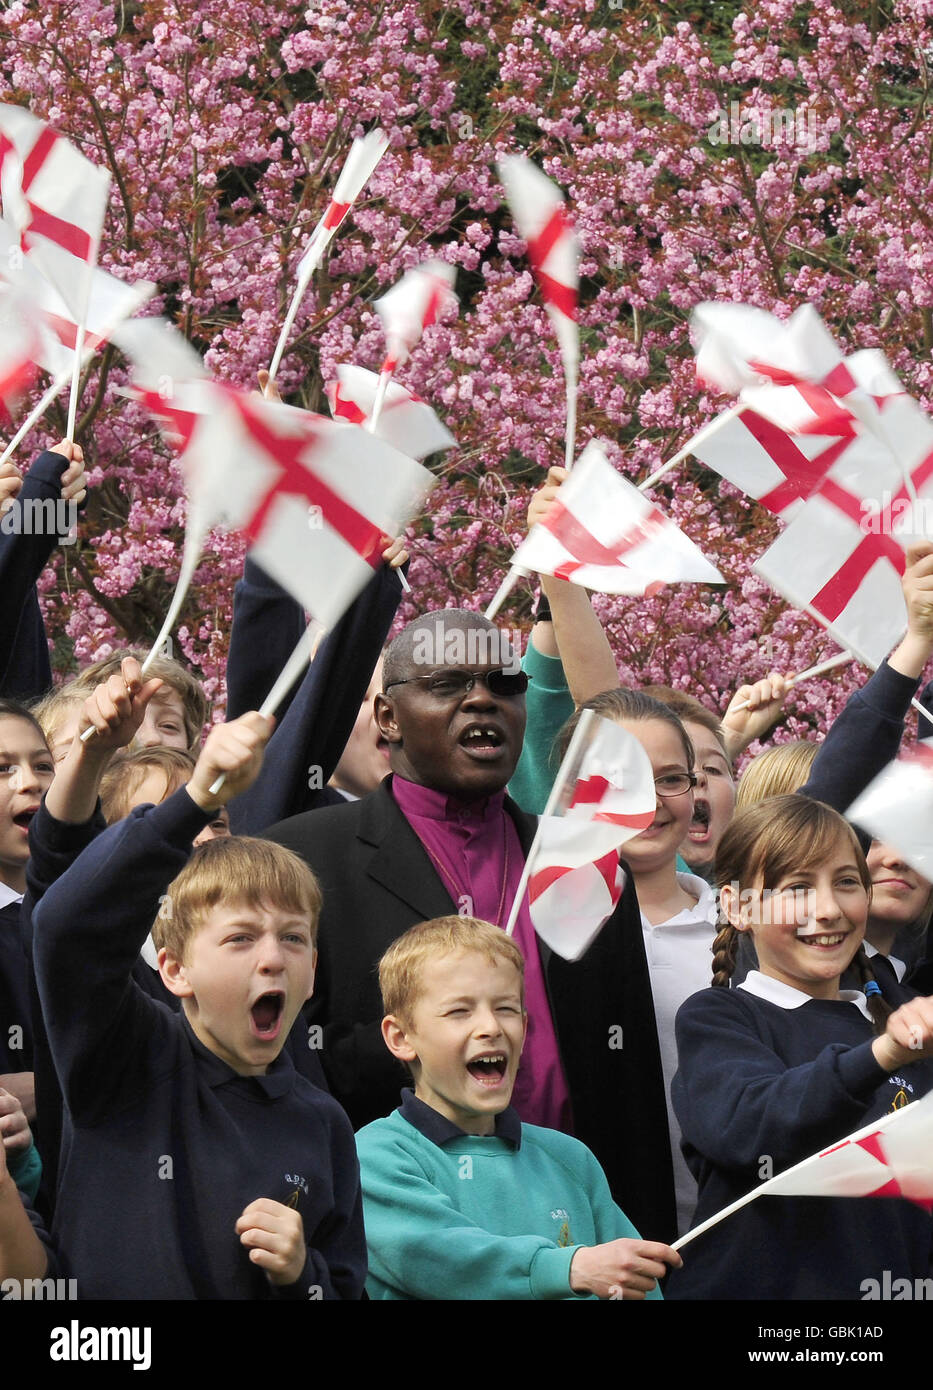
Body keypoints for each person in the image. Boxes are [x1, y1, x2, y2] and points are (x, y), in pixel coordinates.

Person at [264, 608, 677, 1242]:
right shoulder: (304, 862)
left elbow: (632, 1090)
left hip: (581, 1240)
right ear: (388, 718)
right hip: (388, 1238)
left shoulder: (585, 865)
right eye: (447, 683)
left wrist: (645, 1245)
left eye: (503, 683)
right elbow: (287, 1065)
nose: (482, 698)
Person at [32, 689, 366, 1299]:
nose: (272, 958)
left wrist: (302, 1274)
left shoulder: (324, 1123)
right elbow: (66, 927)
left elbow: (344, 1285)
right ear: (174, 970)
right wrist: (196, 798)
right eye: (239, 939)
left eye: (293, 938)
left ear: (313, 970)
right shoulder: (127, 1056)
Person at [667, 795, 933, 1300]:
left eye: (847, 883)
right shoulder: (718, 1017)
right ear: (738, 906)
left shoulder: (903, 1023)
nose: (829, 910)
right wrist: (883, 1057)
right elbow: (756, 1126)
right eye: (797, 888)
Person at [356, 915, 681, 1300]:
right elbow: (442, 1262)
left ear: (525, 1029)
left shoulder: (570, 1159)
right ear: (400, 1037)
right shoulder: (375, 1156)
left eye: (506, 1009)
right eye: (460, 1011)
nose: (490, 1027)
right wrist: (569, 1267)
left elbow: (636, 1287)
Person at [0, 700, 54, 1125]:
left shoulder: (82, 917)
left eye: (43, 765)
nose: (30, 782)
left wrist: (49, 1088)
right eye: (3, 768)